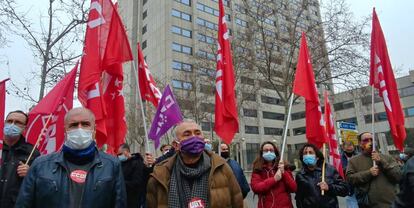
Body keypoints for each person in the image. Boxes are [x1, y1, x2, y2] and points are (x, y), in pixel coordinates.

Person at [15, 107, 126, 207]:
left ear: (94, 130)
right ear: (65, 131)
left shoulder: (112, 165)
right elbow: (24, 203)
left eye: (85, 124)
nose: (80, 129)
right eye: (73, 125)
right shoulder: (40, 165)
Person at [146, 119, 243, 208]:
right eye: (187, 134)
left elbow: (238, 202)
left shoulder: (222, 167)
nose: (194, 137)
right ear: (176, 145)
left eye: (197, 133)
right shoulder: (160, 174)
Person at [346, 132, 401, 208]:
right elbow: (350, 179)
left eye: (372, 139)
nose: (370, 142)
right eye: (366, 140)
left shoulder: (388, 158)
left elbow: (398, 176)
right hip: (368, 204)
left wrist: (382, 162)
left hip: (390, 204)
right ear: (360, 143)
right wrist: (369, 173)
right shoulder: (354, 161)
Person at [0, 110, 40, 207]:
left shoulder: (32, 152)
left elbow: (40, 183)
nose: (12, 125)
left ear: (24, 128)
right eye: (9, 121)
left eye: (18, 123)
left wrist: (30, 173)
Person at [295, 143, 348, 208]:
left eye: (310, 152)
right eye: (305, 153)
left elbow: (344, 190)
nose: (307, 155)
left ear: (317, 157)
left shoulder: (330, 169)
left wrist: (329, 187)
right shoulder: (300, 175)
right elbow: (299, 198)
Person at [251, 141, 296, 208]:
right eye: (266, 150)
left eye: (271, 150)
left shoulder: (284, 167)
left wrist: (284, 173)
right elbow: (256, 188)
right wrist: (274, 179)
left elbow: (293, 188)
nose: (269, 152)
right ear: (262, 153)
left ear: (275, 152)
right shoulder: (258, 169)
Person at [118, 143, 147, 208]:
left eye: (120, 154)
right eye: (118, 155)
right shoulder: (121, 164)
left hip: (134, 200)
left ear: (127, 151)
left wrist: (120, 183)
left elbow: (137, 183)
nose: (119, 156)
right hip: (123, 199)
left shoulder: (137, 163)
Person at [340, 141, 358, 208]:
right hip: (349, 188)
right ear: (343, 148)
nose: (349, 147)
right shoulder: (340, 158)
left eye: (351, 145)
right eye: (347, 146)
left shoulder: (359, 156)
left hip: (360, 187)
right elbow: (340, 170)